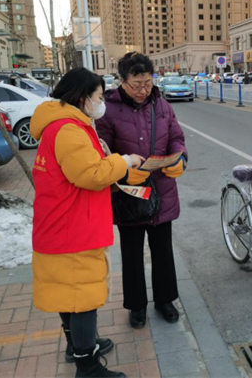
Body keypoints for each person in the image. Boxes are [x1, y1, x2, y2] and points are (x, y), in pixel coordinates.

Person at [31, 67, 144, 378]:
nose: (101, 103)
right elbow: (91, 175)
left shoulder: (63, 124)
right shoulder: (68, 130)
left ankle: (79, 346)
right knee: (82, 297)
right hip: (73, 227)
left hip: (62, 222)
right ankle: (88, 367)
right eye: (98, 96)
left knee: (69, 292)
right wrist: (123, 161)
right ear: (82, 97)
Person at [96, 52, 187, 330]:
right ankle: (136, 306)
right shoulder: (108, 110)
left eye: (147, 83)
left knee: (163, 250)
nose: (143, 90)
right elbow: (101, 151)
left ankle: (165, 300)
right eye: (136, 84)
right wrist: (122, 171)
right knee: (132, 253)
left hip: (162, 189)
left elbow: (176, 138)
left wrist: (180, 159)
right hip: (129, 193)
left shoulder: (162, 105)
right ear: (122, 81)